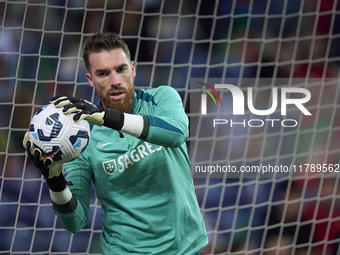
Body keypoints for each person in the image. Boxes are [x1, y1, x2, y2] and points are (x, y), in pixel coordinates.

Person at [23, 31, 208, 254]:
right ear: (90, 79)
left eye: (121, 69)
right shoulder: (80, 139)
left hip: (184, 249)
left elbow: (177, 132)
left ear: (133, 68)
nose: (115, 81)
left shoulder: (161, 98)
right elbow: (75, 221)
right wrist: (54, 178)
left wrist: (106, 118)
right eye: (103, 73)